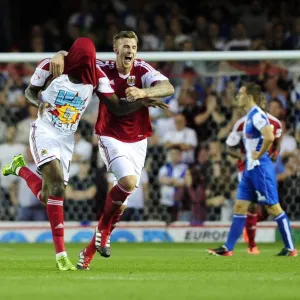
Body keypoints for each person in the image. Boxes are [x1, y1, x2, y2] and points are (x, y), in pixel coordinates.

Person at [2, 37, 166, 271]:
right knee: (57, 185)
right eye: (84, 61)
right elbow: (30, 91)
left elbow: (117, 106)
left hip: (67, 138)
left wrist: (143, 101)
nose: (88, 66)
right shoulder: (51, 65)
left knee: (49, 196)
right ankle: (61, 257)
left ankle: (20, 168)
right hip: (45, 130)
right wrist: (37, 101)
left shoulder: (96, 77)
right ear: (75, 58)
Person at [50, 30, 175, 269]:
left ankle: (88, 251)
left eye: (133, 47)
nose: (130, 51)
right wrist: (59, 53)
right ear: (116, 50)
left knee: (122, 201)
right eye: (125, 47)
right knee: (127, 184)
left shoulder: (142, 69)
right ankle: (103, 235)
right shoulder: (102, 68)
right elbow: (73, 56)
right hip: (110, 136)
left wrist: (145, 92)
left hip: (139, 139)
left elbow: (168, 87)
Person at [208, 82, 297, 257]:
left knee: (273, 207)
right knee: (240, 206)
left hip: (260, 167)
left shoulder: (257, 115)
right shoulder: (249, 116)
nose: (237, 97)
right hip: (249, 167)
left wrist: (260, 153)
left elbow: (270, 135)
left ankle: (290, 248)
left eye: (240, 94)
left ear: (249, 97)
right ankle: (228, 248)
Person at [225, 94, 282, 254]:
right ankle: (251, 244)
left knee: (270, 205)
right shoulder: (242, 123)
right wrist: (243, 157)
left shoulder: (275, 123)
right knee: (250, 204)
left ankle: (285, 243)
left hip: (264, 167)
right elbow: (229, 147)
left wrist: (275, 153)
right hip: (245, 168)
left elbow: (277, 142)